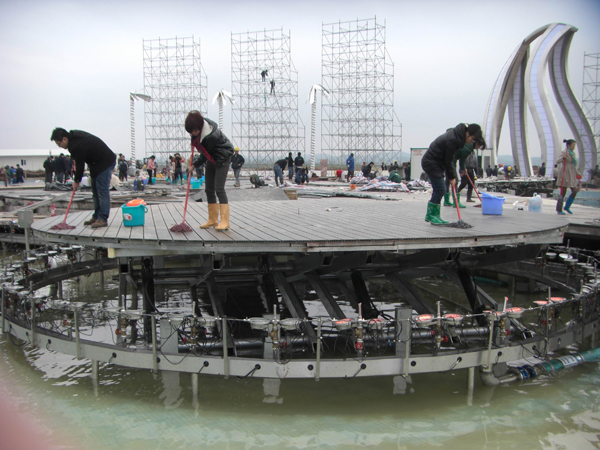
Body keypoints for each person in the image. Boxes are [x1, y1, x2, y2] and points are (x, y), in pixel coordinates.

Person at [50, 127, 116, 228]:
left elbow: (80, 165)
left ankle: (102, 218)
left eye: (59, 144)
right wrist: (77, 179)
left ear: (64, 139)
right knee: (95, 190)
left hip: (105, 162)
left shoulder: (76, 144)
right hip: (95, 164)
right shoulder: (74, 138)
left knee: (102, 191)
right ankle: (97, 216)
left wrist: (76, 180)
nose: (60, 146)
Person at [421, 123, 482, 225]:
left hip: (437, 163)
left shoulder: (457, 137)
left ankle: (436, 215)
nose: (472, 142)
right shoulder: (453, 139)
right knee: (440, 189)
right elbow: (448, 160)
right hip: (431, 162)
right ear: (467, 134)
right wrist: (452, 177)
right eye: (472, 139)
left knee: (439, 189)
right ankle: (431, 215)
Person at [187, 110, 235, 231]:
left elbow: (204, 154)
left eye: (194, 130)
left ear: (199, 126)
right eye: (191, 131)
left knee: (219, 188)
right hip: (212, 158)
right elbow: (205, 153)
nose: (192, 133)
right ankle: (212, 219)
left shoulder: (209, 136)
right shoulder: (200, 130)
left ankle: (225, 221)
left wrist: (194, 165)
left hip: (223, 158)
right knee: (209, 189)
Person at [556, 139, 581, 215]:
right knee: (563, 192)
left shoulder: (573, 153)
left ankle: (567, 206)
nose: (574, 146)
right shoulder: (565, 152)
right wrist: (563, 158)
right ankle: (559, 209)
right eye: (573, 145)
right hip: (565, 174)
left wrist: (578, 173)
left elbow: (574, 165)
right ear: (569, 145)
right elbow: (557, 161)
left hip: (572, 174)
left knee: (575, 190)